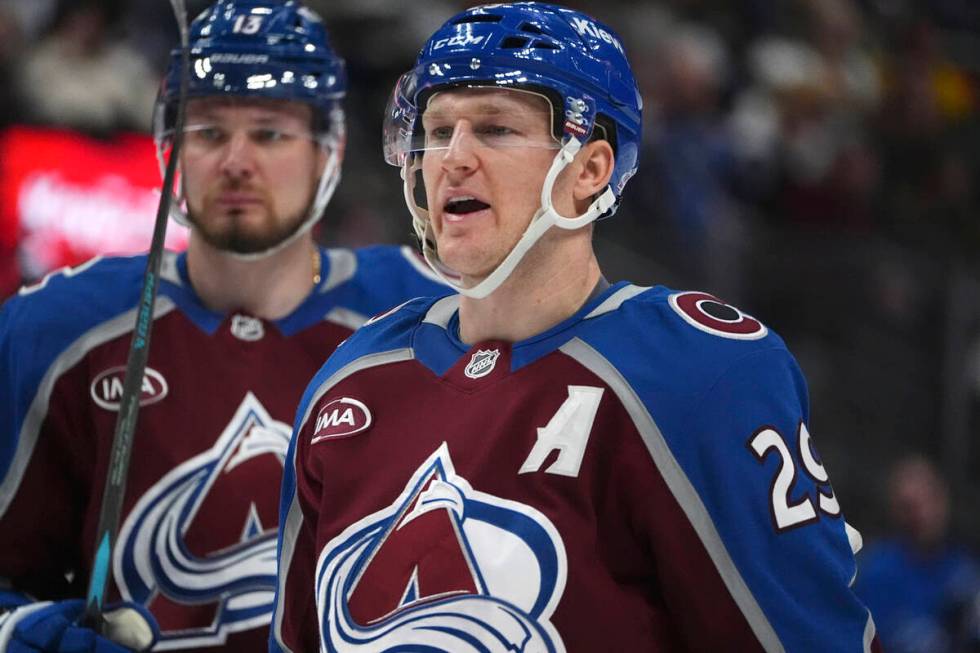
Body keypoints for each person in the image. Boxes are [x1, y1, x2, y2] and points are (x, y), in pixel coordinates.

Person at [270, 3, 882, 651]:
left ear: (590, 170)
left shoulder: (697, 376)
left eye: (497, 129)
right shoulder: (350, 381)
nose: (452, 158)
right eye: (438, 129)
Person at [0, 0, 447, 651]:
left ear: (331, 152)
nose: (236, 160)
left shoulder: (434, 320)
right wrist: (33, 632)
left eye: (269, 133)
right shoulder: (58, 329)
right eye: (208, 132)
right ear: (171, 147)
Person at [855, 455, 980, 653]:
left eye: (929, 500)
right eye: (910, 507)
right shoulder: (876, 573)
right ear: (895, 510)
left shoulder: (964, 566)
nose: (923, 514)